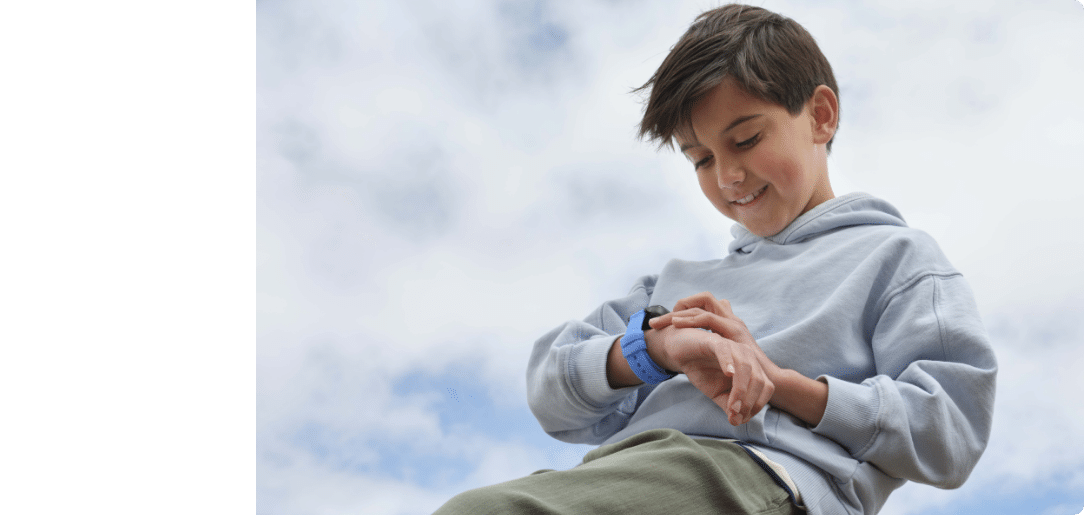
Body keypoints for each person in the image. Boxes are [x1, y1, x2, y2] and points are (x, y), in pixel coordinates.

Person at [434, 4, 997, 514]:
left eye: (747, 140)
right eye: (700, 159)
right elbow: (551, 395)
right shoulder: (673, 291)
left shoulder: (896, 257)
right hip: (628, 477)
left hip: (754, 478)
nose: (727, 177)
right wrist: (655, 350)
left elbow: (950, 434)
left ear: (821, 115)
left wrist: (779, 384)